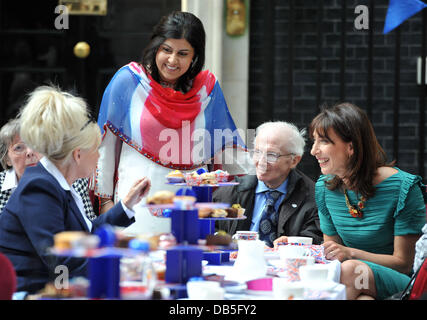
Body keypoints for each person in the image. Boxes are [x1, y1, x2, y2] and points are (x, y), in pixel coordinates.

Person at [94, 11, 254, 235]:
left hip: (192, 206)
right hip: (137, 204)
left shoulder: (206, 90)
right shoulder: (128, 81)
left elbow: (224, 146)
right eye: (166, 50)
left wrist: (267, 166)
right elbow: (106, 147)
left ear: (194, 57)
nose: (172, 60)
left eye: (182, 53)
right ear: (156, 47)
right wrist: (105, 203)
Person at [0, 86, 151, 293]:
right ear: (77, 155)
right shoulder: (39, 188)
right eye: (95, 150)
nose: (98, 157)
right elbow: (62, 263)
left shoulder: (53, 182)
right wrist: (122, 265)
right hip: (32, 292)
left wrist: (125, 205)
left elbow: (86, 234)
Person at [307, 102, 426, 300]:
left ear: (351, 147)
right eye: (314, 141)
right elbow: (333, 255)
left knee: (352, 270)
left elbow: (405, 263)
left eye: (324, 141)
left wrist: (351, 254)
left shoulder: (403, 188)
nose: (313, 151)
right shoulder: (324, 188)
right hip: (355, 281)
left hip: (399, 282)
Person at [214, 121, 322, 247]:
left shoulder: (312, 197)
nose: (261, 162)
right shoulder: (230, 191)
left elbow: (313, 239)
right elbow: (209, 230)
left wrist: (290, 244)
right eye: (257, 152)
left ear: (294, 161)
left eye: (272, 155)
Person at [0, 118, 97, 220]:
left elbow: (89, 227)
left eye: (34, 144)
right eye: (19, 148)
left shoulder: (73, 180)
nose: (30, 152)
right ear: (7, 159)